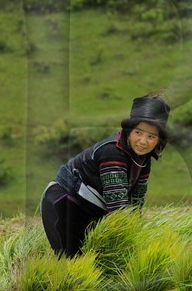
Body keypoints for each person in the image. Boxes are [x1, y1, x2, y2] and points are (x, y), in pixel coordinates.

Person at [40, 94, 170, 257]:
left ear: (159, 140)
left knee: (101, 261)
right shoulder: (111, 152)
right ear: (129, 131)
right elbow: (118, 206)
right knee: (75, 264)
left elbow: (136, 202)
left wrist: (139, 236)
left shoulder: (144, 159)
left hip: (91, 209)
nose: (143, 141)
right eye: (138, 132)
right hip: (65, 203)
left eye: (151, 136)